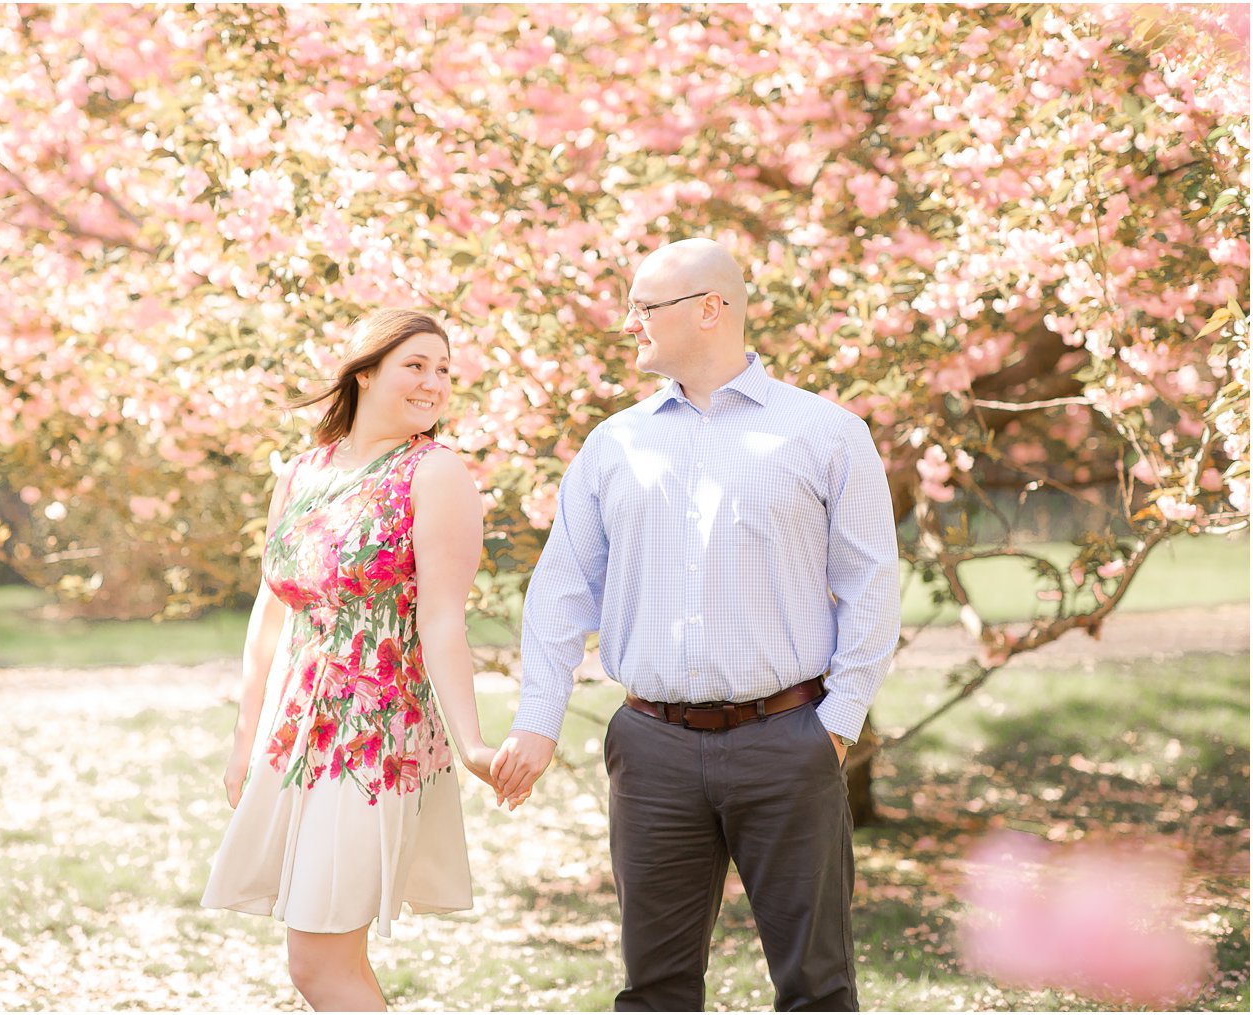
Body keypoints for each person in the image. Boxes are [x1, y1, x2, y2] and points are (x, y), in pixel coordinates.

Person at [490, 238, 900, 1011]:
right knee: (654, 990)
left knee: (818, 987)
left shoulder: (826, 433)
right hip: (652, 751)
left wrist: (835, 724)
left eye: (645, 307)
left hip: (790, 740)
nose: (629, 322)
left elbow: (871, 588)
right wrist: (537, 720)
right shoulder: (616, 444)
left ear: (711, 309)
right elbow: (559, 589)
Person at [201, 308, 497, 1012]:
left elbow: (443, 618)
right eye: (415, 365)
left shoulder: (436, 472)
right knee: (326, 961)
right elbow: (272, 605)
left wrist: (474, 740)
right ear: (364, 373)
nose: (433, 383)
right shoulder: (302, 472)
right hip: (298, 731)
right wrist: (247, 738)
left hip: (374, 735)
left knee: (318, 961)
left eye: (444, 370)